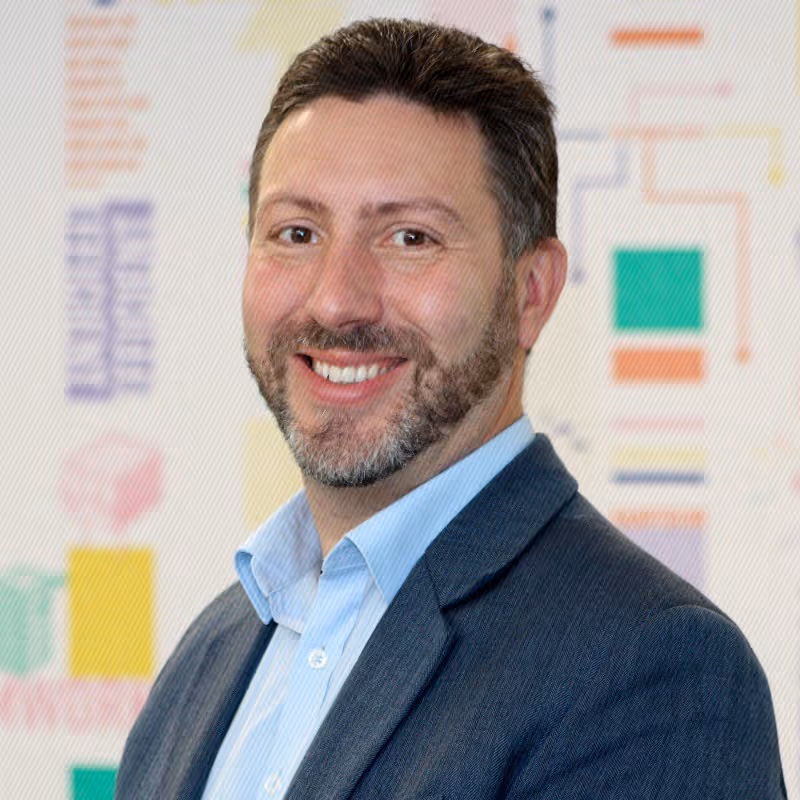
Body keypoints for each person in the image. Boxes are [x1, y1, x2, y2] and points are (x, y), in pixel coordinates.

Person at [115, 18, 786, 800]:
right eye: (295, 232)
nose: (335, 298)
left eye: (409, 238)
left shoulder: (656, 673)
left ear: (530, 291)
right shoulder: (209, 658)